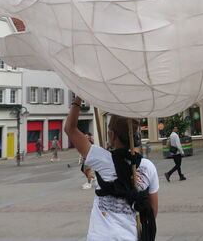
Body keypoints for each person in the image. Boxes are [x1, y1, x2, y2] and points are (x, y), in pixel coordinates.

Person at [64, 97, 159, 241]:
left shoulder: (102, 159)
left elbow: (70, 129)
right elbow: (153, 210)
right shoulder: (148, 167)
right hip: (129, 237)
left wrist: (78, 99)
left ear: (112, 135)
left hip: (100, 236)